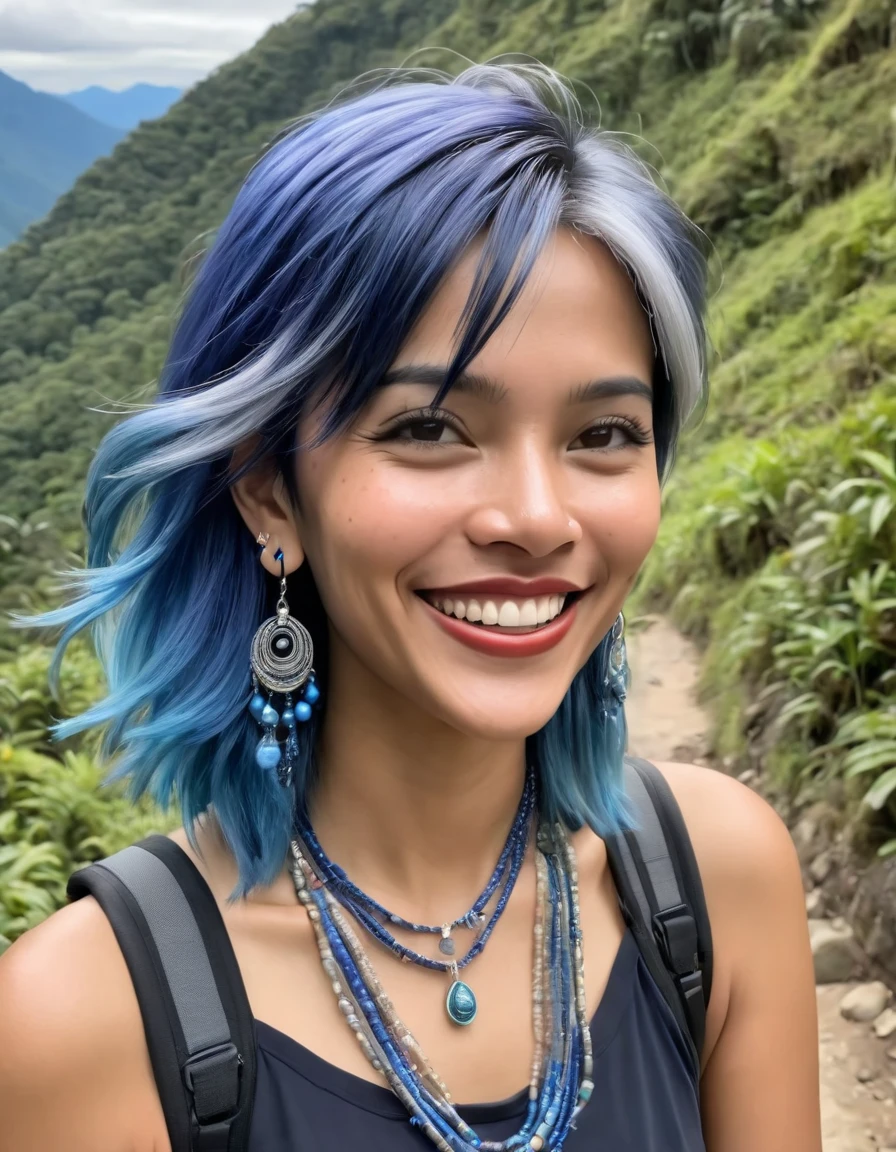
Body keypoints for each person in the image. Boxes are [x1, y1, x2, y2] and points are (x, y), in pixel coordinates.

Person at [0, 61, 821, 1152]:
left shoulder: (716, 883)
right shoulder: (82, 1018)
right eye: (430, 429)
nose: (535, 517)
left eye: (603, 435)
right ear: (267, 489)